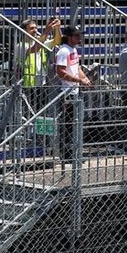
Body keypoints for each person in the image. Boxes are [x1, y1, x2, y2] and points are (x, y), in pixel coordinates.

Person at [54, 25, 90, 164]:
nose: (79, 38)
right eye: (76, 36)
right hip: (66, 93)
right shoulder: (63, 51)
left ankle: (73, 154)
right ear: (69, 37)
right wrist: (79, 80)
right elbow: (61, 72)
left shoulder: (73, 49)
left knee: (74, 124)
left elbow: (77, 67)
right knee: (68, 125)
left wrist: (84, 78)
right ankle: (67, 156)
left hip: (74, 91)